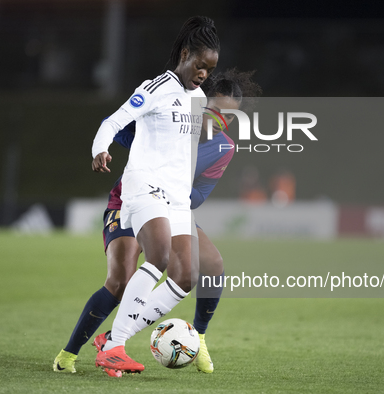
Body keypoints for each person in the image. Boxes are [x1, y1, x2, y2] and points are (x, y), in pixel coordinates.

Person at [53, 69, 262, 376]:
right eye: (216, 112)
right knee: (121, 281)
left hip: (173, 206)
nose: (221, 123)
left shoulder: (223, 148)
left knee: (211, 265)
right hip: (130, 200)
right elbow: (115, 127)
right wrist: (106, 149)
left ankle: (190, 337)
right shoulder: (167, 120)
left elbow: (199, 195)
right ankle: (68, 354)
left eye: (230, 119)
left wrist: (173, 185)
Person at [58, 16, 220, 375]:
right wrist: (100, 148)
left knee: (186, 276)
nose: (203, 73)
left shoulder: (199, 99)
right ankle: (114, 347)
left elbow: (182, 152)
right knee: (159, 255)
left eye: (210, 69)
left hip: (176, 196)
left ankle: (114, 338)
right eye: (200, 64)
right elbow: (113, 121)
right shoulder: (157, 87)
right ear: (185, 53)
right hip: (144, 184)